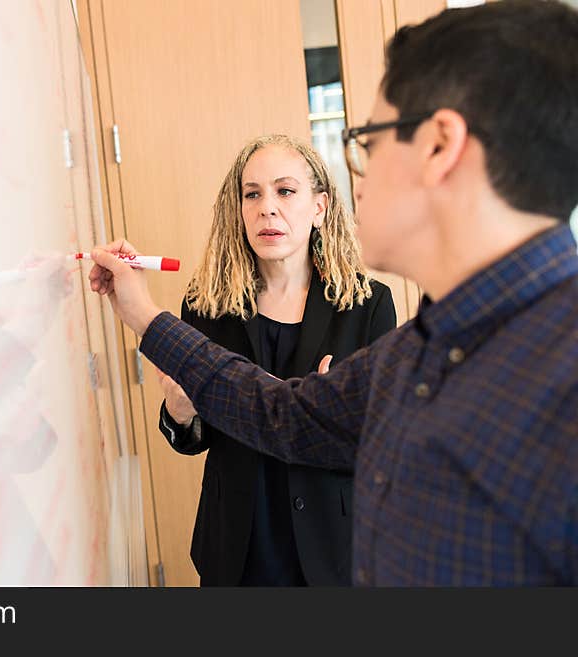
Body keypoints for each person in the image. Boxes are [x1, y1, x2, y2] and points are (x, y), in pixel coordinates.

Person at [89, 0, 578, 585]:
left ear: (440, 147)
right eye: (252, 194)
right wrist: (144, 315)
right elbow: (284, 416)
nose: (359, 183)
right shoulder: (420, 348)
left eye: (368, 144)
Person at [157, 135, 395, 586]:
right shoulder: (206, 306)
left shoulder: (368, 305)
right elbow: (190, 440)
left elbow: (382, 442)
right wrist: (180, 413)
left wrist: (332, 415)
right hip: (236, 547)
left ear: (320, 207)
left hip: (335, 549)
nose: (267, 208)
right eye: (253, 194)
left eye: (285, 191)